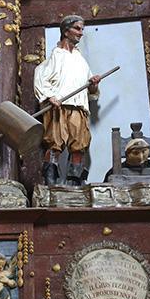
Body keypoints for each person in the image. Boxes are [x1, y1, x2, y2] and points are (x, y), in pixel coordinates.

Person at [33, 15, 101, 186]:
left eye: (82, 29)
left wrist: (93, 84)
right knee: (55, 143)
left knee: (79, 145)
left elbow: (91, 92)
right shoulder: (56, 56)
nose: (81, 33)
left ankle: (75, 181)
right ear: (66, 31)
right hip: (58, 107)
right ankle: (50, 181)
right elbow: (40, 77)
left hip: (79, 107)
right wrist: (50, 97)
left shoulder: (81, 60)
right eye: (77, 29)